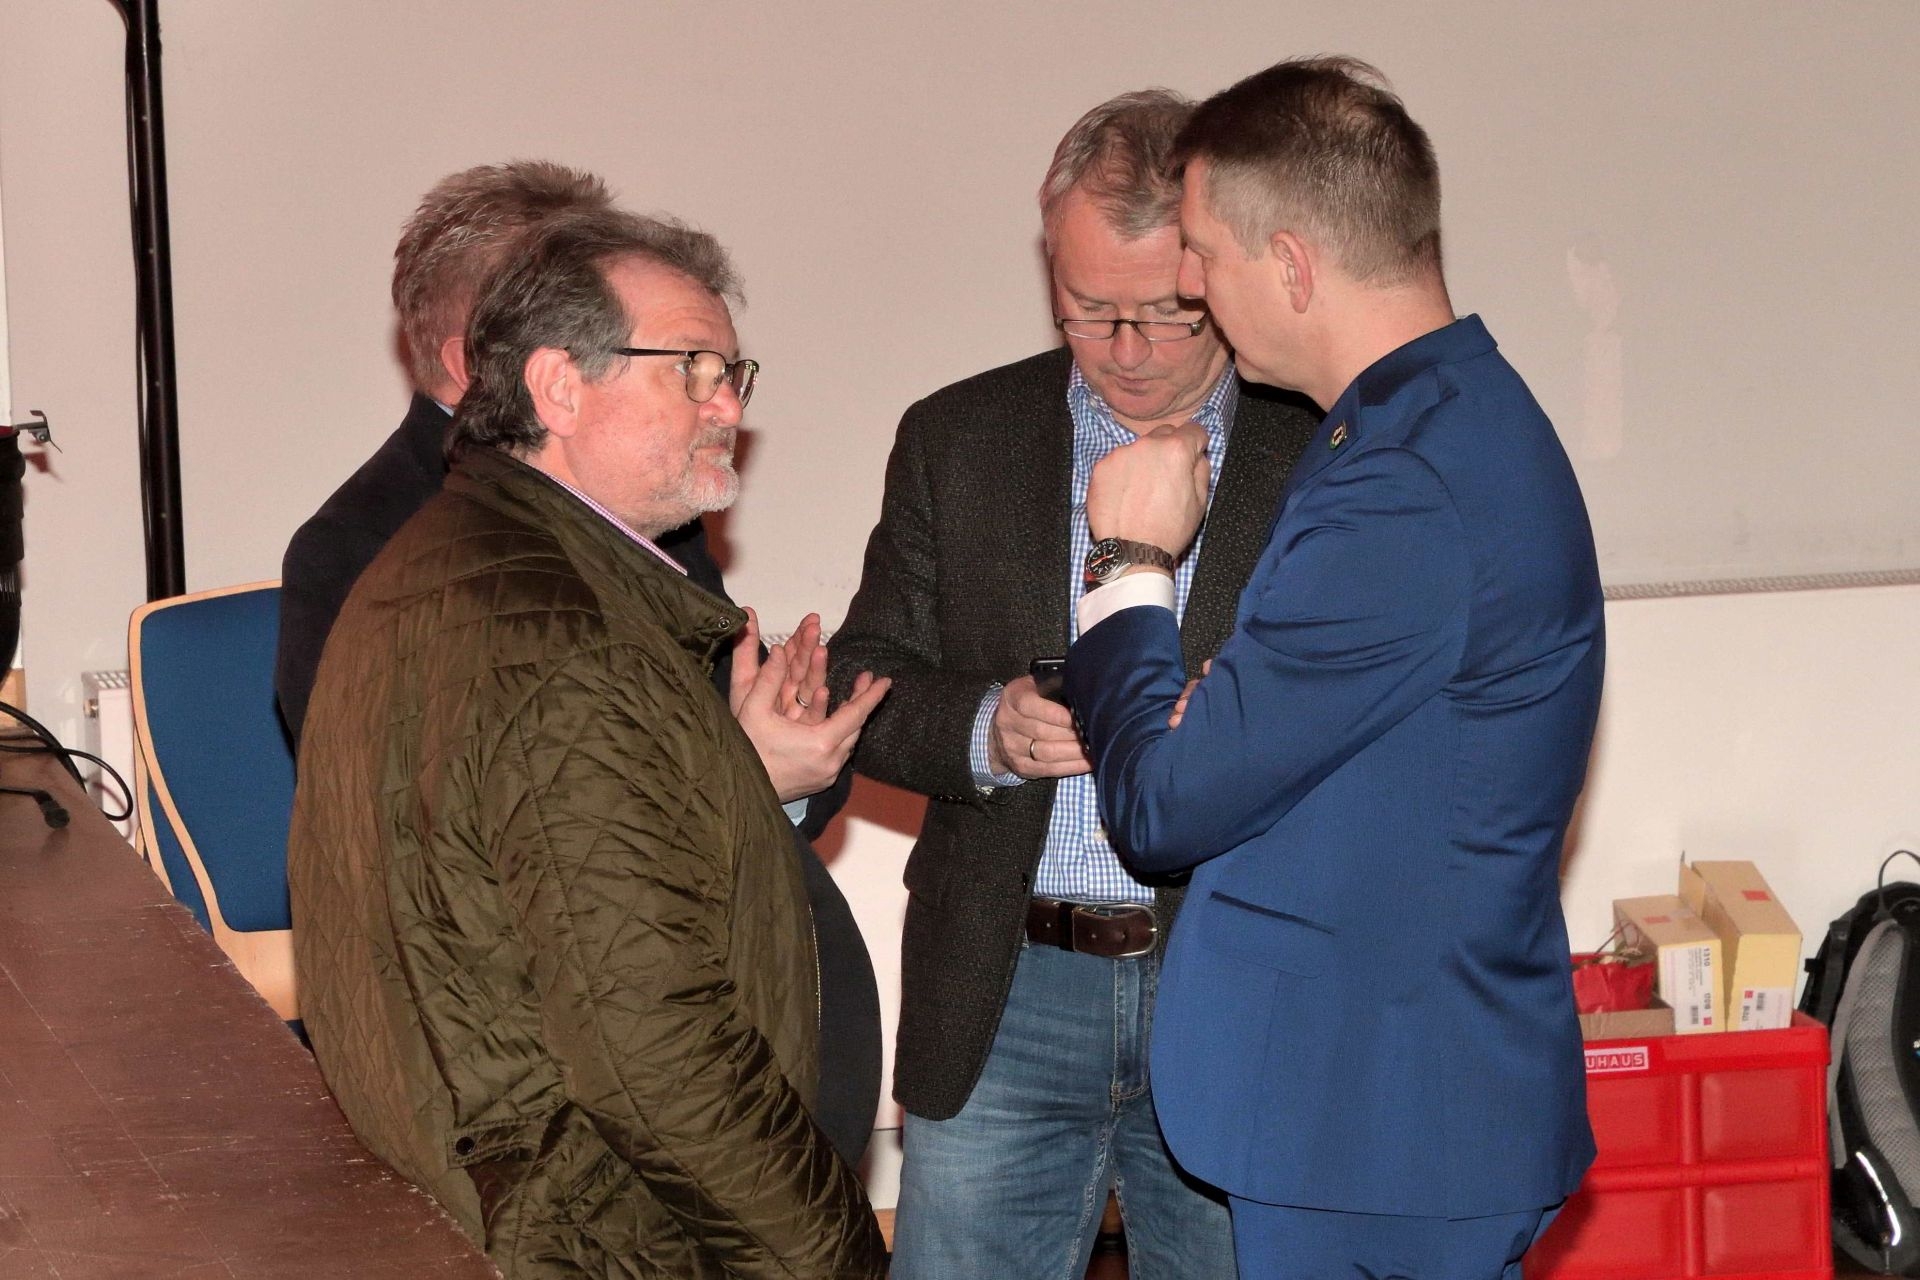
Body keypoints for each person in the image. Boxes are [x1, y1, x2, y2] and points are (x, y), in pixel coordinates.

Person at [1062, 57, 1605, 1280]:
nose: (1188, 283)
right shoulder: (1433, 421)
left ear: (1294, 266)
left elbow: (1163, 806)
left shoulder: (1403, 482)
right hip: (1392, 1112)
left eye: (1204, 252)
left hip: (1381, 1127)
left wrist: (1130, 562)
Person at [288, 208, 890, 1279]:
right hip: (609, 1234)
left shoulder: (467, 556)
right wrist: (837, 1256)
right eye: (694, 369)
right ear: (559, 388)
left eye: (734, 373)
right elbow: (658, 1054)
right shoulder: (563, 639)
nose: (729, 404)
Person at [830, 90, 1317, 1279]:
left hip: (1235, 987)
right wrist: (986, 727)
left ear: (1218, 273)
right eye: (1091, 312)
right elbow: (862, 674)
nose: (1128, 351)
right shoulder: (959, 437)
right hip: (1003, 989)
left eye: (1166, 315)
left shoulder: (1318, 449)